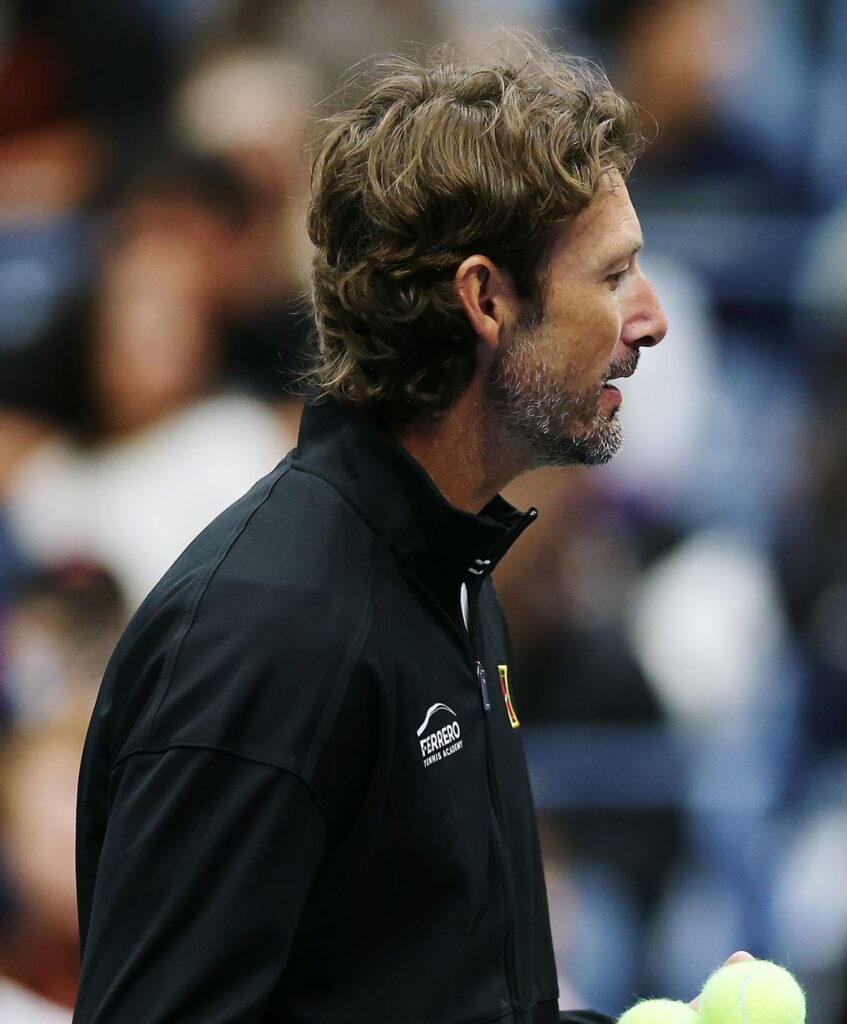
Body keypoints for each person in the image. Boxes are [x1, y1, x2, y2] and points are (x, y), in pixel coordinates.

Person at [69, 40, 727, 1023]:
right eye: (616, 274)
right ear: (486, 299)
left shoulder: (450, 573)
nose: (653, 318)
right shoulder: (270, 637)